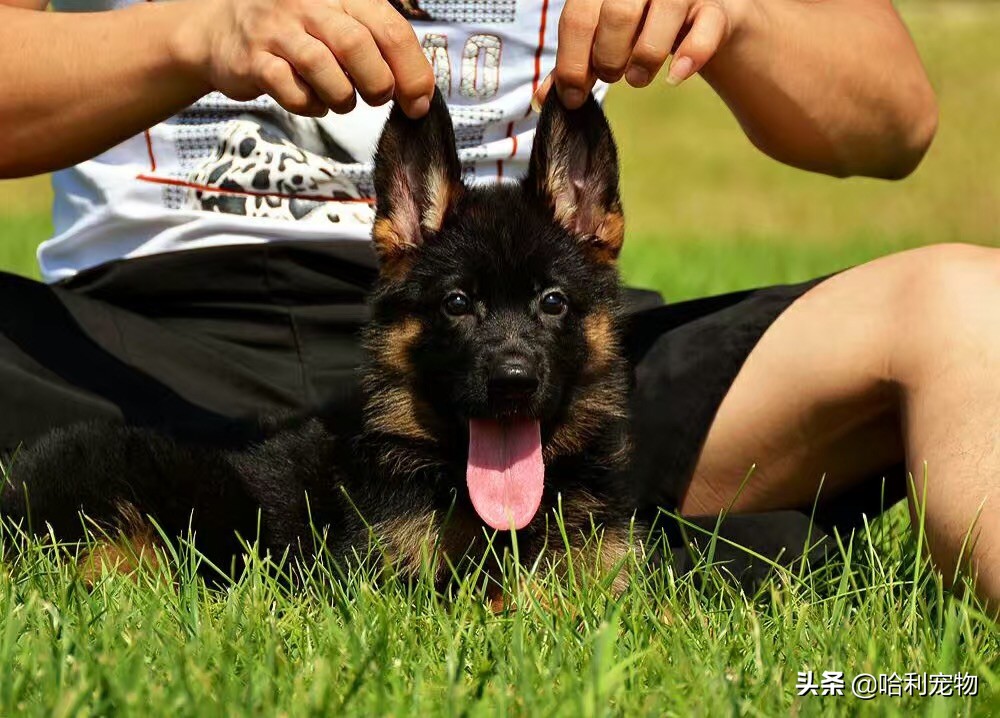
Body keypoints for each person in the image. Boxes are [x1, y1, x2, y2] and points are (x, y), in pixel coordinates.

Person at [1, 0, 996, 604]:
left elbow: (893, 119)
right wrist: (190, 35)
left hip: (552, 357)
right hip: (148, 344)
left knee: (963, 304)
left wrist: (736, 17)